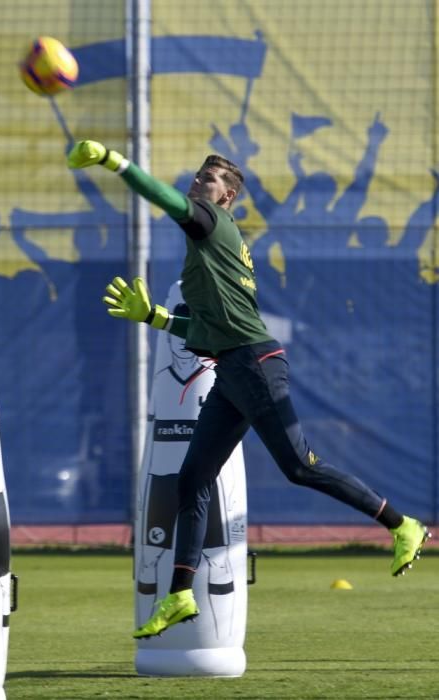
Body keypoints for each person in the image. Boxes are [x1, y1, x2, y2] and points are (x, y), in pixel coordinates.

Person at [67, 140, 431, 639]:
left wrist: (115, 161)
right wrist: (152, 317)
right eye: (197, 174)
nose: (197, 183)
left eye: (208, 180)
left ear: (226, 197)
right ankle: (179, 594)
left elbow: (162, 198)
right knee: (192, 480)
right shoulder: (214, 250)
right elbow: (207, 330)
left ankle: (401, 524)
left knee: (300, 466)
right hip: (233, 370)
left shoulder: (209, 224)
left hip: (254, 365)